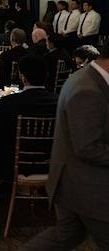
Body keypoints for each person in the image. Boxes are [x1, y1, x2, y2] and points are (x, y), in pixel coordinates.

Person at [25, 44, 109, 250]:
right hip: (87, 185)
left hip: (73, 180)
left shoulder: (87, 78)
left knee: (64, 236)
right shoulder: (88, 90)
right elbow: (88, 147)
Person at [0, 56, 58, 188]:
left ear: (23, 77)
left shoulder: (8, 102)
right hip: (49, 163)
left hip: (9, 165)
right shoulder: (58, 101)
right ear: (47, 76)